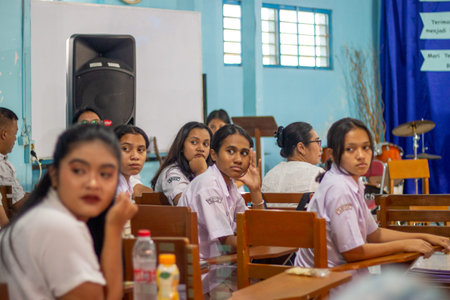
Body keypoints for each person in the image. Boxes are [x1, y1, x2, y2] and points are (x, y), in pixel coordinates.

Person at [295, 118, 450, 278]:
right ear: (332, 154)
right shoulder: (339, 189)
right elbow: (353, 252)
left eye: (366, 147)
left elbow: (374, 234)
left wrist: (423, 236)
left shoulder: (349, 182)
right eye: (350, 149)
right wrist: (406, 244)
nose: (361, 155)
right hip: (330, 283)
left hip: (341, 277)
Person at [0, 124, 137, 300]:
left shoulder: (45, 214)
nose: (93, 183)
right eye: (79, 171)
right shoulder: (58, 227)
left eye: (105, 174)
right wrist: (114, 229)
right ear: (54, 176)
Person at [178, 124, 264, 295]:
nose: (238, 159)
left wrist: (255, 190)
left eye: (244, 153)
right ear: (214, 154)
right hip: (204, 272)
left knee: (273, 285)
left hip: (223, 266)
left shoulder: (229, 185)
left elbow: (254, 226)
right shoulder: (208, 186)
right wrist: (259, 239)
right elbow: (228, 244)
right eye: (230, 151)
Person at [152, 121, 212, 205]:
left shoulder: (211, 171)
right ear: (181, 146)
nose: (201, 148)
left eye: (206, 144)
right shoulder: (172, 172)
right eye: (194, 142)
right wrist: (201, 173)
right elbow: (183, 205)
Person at [262, 122, 324, 194]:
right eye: (317, 142)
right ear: (301, 148)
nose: (321, 149)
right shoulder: (318, 175)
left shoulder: (269, 175)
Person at [0, 107, 27, 226]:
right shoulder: (1, 167)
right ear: (4, 134)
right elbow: (16, 204)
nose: (15, 138)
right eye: (15, 134)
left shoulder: (5, 162)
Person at [114, 124, 153, 196]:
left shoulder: (127, 183)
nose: (135, 156)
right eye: (125, 149)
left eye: (140, 150)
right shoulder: (109, 187)